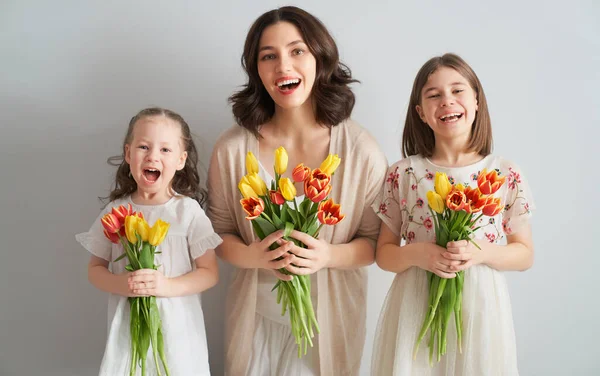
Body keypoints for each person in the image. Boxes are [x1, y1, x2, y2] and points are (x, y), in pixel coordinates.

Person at [207, 6, 387, 376]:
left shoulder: (360, 149)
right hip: (254, 322)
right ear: (256, 70)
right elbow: (217, 234)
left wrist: (327, 256)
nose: (282, 66)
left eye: (297, 51)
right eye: (268, 56)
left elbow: (375, 243)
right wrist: (254, 256)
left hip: (327, 326)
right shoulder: (231, 149)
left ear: (320, 57)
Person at [371, 53, 535, 375]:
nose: (447, 101)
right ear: (421, 112)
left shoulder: (503, 172)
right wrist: (419, 253)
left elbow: (525, 254)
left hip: (481, 306)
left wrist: (482, 251)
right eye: (434, 95)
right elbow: (384, 255)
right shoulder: (403, 173)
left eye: (457, 91)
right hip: (415, 302)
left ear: (476, 100)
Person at [76, 107, 221, 375]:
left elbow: (209, 273)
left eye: (165, 150)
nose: (153, 155)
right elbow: (95, 269)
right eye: (144, 147)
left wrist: (166, 286)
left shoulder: (187, 212)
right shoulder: (116, 212)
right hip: (128, 331)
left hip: (179, 333)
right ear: (129, 153)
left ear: (181, 159)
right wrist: (122, 284)